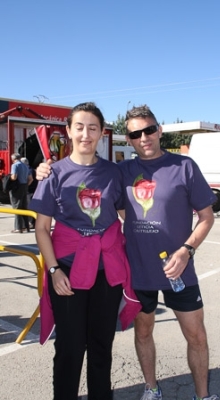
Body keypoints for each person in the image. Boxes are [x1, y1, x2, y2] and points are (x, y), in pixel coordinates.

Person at [36, 104, 220, 400]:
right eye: (135, 133)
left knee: (189, 336)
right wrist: (45, 169)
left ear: (159, 130)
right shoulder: (99, 171)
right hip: (115, 269)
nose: (143, 137)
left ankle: (203, 396)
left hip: (155, 269)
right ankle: (150, 388)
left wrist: (185, 250)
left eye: (148, 130)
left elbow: (204, 216)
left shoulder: (165, 168)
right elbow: (51, 219)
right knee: (116, 338)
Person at [30, 102, 140, 400]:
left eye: (92, 127)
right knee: (70, 347)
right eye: (79, 127)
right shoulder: (53, 173)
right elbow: (42, 229)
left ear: (101, 133)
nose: (85, 133)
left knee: (101, 345)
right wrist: (53, 271)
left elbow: (125, 216)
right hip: (66, 271)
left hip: (107, 273)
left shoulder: (113, 173)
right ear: (68, 131)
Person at [9, 153, 31, 233]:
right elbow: (30, 179)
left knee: (17, 207)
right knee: (24, 206)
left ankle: (18, 228)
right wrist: (25, 185)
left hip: (18, 187)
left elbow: (14, 177)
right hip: (24, 186)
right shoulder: (25, 166)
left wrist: (9, 179)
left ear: (13, 159)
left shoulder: (15, 165)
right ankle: (26, 226)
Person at [21, 157, 38, 229]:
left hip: (30, 190)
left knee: (30, 207)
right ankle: (33, 222)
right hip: (33, 190)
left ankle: (31, 222)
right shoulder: (31, 169)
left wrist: (26, 186)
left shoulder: (29, 170)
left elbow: (31, 179)